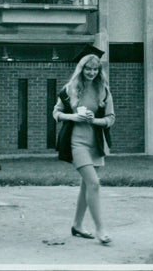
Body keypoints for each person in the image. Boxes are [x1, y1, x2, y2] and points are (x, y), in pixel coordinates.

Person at [53, 47, 115, 245]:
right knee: (94, 184)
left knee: (86, 186)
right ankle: (100, 229)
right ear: (81, 69)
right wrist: (73, 116)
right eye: (88, 69)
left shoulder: (103, 90)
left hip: (95, 142)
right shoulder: (69, 88)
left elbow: (111, 118)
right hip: (76, 141)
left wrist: (95, 121)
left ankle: (77, 225)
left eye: (95, 69)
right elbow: (56, 113)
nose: (91, 72)